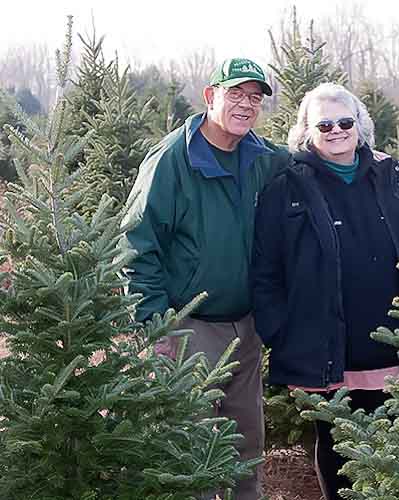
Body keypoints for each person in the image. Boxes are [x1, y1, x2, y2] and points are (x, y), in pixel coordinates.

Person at [252, 83, 399, 500]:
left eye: (344, 121)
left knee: (393, 440)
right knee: (337, 442)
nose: (336, 130)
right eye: (324, 124)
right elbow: (264, 271)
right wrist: (281, 334)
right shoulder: (287, 189)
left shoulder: (390, 181)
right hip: (326, 347)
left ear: (359, 126)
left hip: (393, 344)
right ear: (307, 132)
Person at [121, 57, 289, 500]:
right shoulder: (173, 159)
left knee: (245, 443)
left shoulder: (262, 158)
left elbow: (313, 167)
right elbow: (137, 246)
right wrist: (154, 326)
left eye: (254, 98)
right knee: (190, 446)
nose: (246, 105)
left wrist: (363, 152)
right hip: (187, 327)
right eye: (236, 94)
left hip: (245, 327)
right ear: (211, 96)